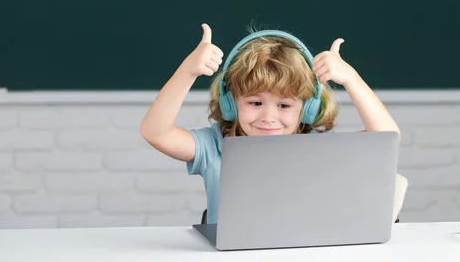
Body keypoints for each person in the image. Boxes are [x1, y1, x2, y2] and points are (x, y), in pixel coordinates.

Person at [141, 23, 400, 224]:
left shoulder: (319, 149)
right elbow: (156, 132)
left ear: (307, 109)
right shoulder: (214, 146)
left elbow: (386, 140)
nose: (268, 117)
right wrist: (188, 71)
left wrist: (351, 79)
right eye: (255, 103)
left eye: (284, 105)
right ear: (231, 103)